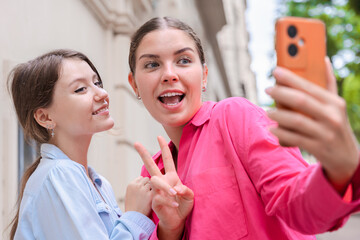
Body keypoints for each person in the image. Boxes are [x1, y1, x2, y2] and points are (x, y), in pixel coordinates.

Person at [127, 16, 360, 239]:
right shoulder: (152, 173)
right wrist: (169, 230)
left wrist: (340, 171)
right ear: (134, 85)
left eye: (184, 61)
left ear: (204, 75)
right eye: (152, 64)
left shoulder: (234, 116)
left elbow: (298, 205)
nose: (169, 74)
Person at [8, 49, 156, 240]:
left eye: (97, 83)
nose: (102, 94)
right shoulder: (59, 175)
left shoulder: (98, 184)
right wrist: (134, 214)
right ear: (45, 117)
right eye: (80, 89)